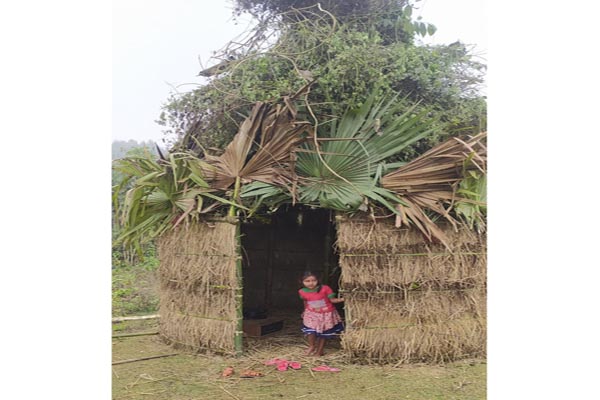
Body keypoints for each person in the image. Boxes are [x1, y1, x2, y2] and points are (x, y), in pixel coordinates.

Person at [298, 271, 344, 356]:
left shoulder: (325, 288)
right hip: (311, 313)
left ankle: (319, 351)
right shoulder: (302, 291)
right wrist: (304, 311)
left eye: (313, 280)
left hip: (326, 314)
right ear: (301, 282)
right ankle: (312, 346)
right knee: (310, 331)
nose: (311, 283)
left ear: (318, 280)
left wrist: (343, 299)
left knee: (324, 333)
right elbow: (305, 301)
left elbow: (332, 300)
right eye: (307, 281)